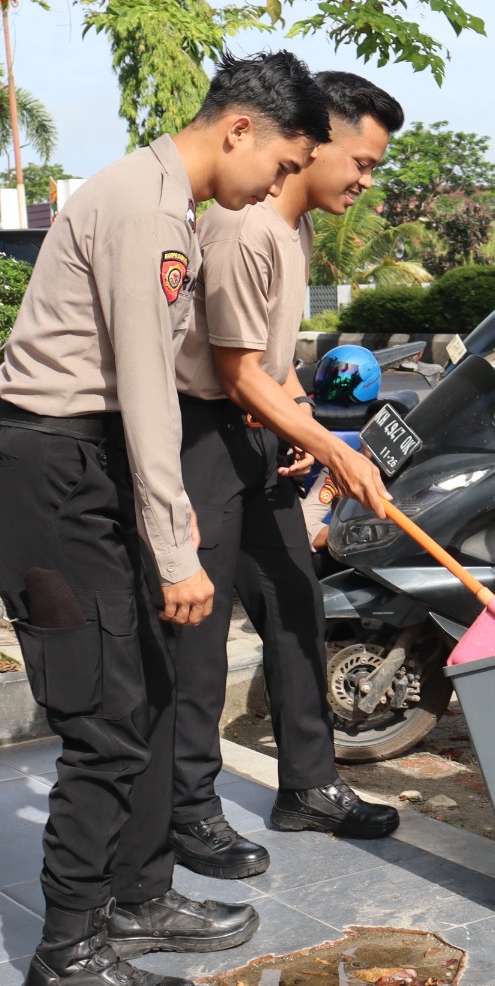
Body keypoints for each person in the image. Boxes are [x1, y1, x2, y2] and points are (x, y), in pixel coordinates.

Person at [0, 51, 330, 986]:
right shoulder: (146, 207)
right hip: (51, 477)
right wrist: (175, 548)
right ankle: (65, 957)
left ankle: (137, 894)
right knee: (106, 720)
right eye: (285, 163)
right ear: (240, 129)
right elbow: (142, 391)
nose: (278, 187)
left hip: (83, 474)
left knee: (157, 691)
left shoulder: (163, 200)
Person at [167, 70, 401, 881]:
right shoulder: (243, 226)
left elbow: (272, 365)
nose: (366, 182)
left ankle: (309, 784)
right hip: (204, 438)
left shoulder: (292, 233)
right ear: (315, 141)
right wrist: (335, 450)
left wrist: (303, 422)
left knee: (294, 601)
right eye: (362, 163)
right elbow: (234, 373)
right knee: (196, 636)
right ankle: (187, 811)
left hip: (257, 435)